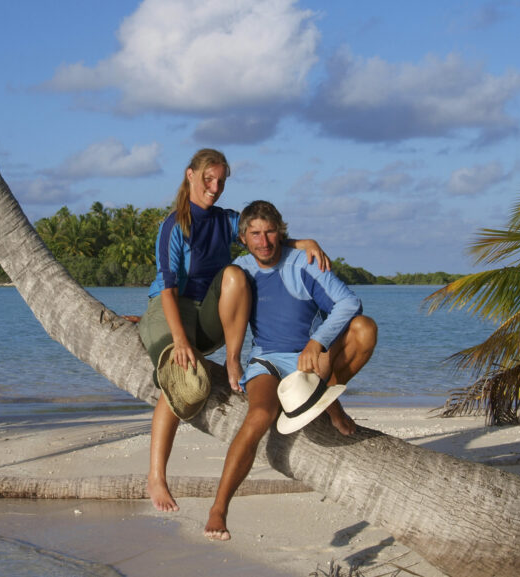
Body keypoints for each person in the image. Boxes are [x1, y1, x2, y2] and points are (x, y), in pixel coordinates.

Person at [138, 149, 330, 513]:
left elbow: (261, 239)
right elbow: (166, 287)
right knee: (180, 380)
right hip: (172, 307)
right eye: (208, 179)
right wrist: (179, 339)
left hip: (211, 315)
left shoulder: (227, 221)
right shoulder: (174, 226)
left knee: (234, 274)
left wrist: (302, 243)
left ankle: (232, 362)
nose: (215, 187)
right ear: (190, 175)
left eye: (221, 181)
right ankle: (156, 476)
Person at [202, 200, 378, 541]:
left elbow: (349, 303)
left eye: (270, 232)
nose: (264, 241)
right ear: (243, 239)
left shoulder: (304, 262)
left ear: (281, 233)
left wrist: (318, 342)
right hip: (266, 358)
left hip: (311, 359)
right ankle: (219, 508)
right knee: (259, 416)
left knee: (365, 328)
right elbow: (199, 297)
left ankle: (329, 398)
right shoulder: (240, 271)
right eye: (255, 233)